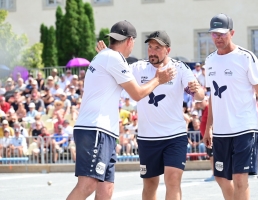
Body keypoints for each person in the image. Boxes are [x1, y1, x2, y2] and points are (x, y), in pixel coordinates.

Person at [67, 20, 176, 200]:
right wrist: (159, 79)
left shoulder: (107, 57)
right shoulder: (113, 58)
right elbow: (137, 93)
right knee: (88, 184)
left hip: (102, 130)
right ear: (130, 41)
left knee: (106, 188)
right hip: (95, 128)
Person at [96, 30, 204, 200]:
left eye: (157, 48)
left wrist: (197, 92)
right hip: (148, 138)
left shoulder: (179, 68)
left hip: (174, 135)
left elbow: (199, 95)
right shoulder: (138, 68)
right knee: (150, 184)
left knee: (173, 179)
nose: (152, 51)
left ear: (167, 50)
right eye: (150, 47)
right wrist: (106, 55)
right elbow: (115, 71)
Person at [203, 13, 258, 200]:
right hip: (221, 131)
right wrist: (208, 127)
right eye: (214, 34)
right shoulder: (210, 60)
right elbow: (213, 95)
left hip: (245, 128)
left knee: (239, 178)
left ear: (232, 32)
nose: (218, 38)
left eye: (222, 33)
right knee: (220, 177)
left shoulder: (246, 57)